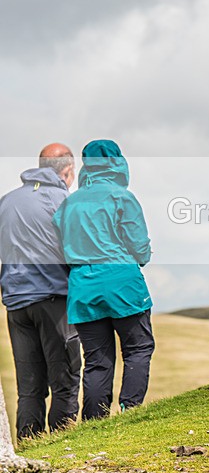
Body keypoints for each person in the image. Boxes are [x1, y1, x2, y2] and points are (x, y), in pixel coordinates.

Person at [52, 140, 155, 419]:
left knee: (97, 360)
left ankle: (95, 421)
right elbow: (139, 247)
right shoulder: (122, 197)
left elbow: (60, 248)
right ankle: (129, 412)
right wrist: (142, 255)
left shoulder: (69, 204)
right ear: (118, 163)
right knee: (138, 347)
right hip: (122, 282)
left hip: (83, 286)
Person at [0, 143, 80, 440]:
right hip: (53, 297)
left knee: (29, 385)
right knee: (65, 378)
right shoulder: (63, 201)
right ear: (68, 171)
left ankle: (29, 442)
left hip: (15, 302)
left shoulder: (6, 201)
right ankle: (64, 445)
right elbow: (75, 250)